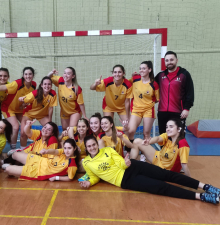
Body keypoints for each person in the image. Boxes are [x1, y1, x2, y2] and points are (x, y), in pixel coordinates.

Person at [79, 136, 220, 205]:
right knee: (161, 187)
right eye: (89, 146)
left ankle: (206, 187)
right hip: (125, 180)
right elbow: (94, 176)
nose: (92, 147)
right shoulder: (86, 162)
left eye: (93, 145)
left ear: (97, 145)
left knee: (167, 174)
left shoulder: (107, 150)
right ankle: (201, 196)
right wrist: (89, 182)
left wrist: (126, 162)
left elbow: (120, 162)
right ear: (86, 147)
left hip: (132, 166)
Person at [0, 67, 37, 150]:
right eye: (26, 74)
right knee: (15, 127)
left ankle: (23, 149)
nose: (28, 76)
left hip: (19, 109)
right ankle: (13, 149)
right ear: (23, 75)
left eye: (30, 74)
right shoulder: (17, 83)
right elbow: (4, 87)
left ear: (33, 75)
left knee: (25, 128)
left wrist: (25, 104)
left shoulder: (34, 85)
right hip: (8, 108)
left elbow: (30, 97)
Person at [155, 51, 194, 135]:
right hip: (162, 112)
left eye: (171, 60)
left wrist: (186, 108)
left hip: (178, 112)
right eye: (167, 60)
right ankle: (164, 149)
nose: (169, 62)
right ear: (164, 62)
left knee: (178, 137)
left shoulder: (184, 74)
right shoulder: (160, 75)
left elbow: (190, 92)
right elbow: (149, 85)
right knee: (163, 137)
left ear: (177, 60)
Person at [4, 139, 79, 182]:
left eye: (69, 148)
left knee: (8, 169)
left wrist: (56, 178)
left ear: (74, 148)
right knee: (15, 154)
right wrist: (47, 151)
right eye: (65, 148)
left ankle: (14, 169)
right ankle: (9, 164)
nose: (67, 151)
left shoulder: (72, 165)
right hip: (39, 160)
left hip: (38, 172)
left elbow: (70, 178)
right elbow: (55, 151)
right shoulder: (63, 152)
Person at [127, 61, 159, 148]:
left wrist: (147, 103)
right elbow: (126, 83)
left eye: (144, 68)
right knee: (131, 131)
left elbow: (157, 99)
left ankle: (145, 154)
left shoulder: (154, 84)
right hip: (136, 109)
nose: (141, 70)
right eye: (140, 68)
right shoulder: (135, 79)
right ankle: (130, 150)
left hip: (148, 110)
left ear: (149, 70)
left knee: (146, 133)